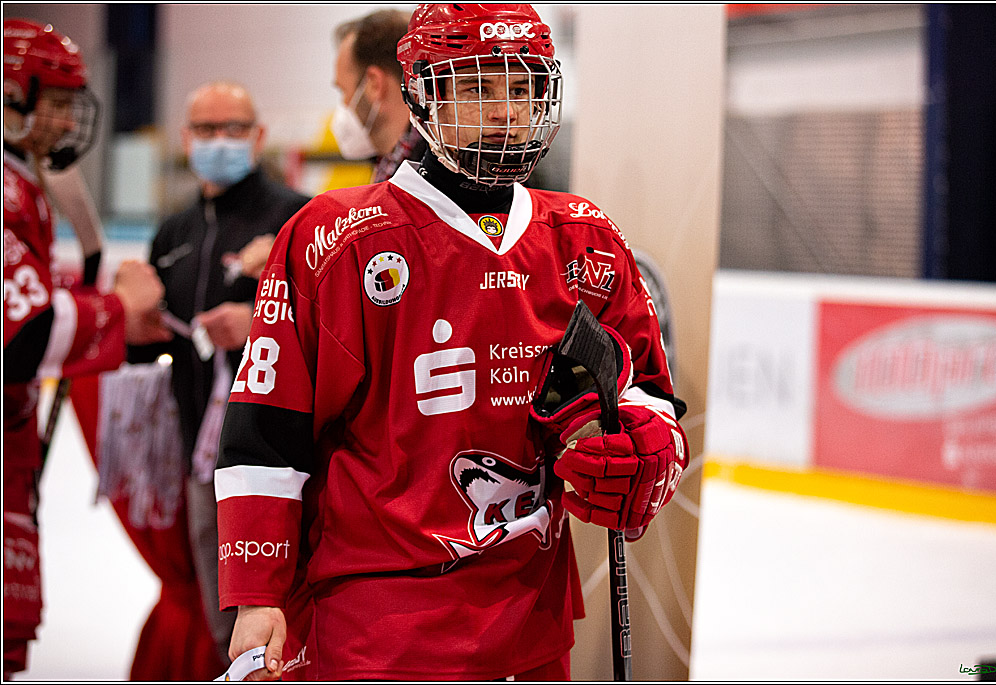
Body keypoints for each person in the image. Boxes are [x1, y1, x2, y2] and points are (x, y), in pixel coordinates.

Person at [216, 4, 689, 681]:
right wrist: (257, 592)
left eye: (522, 87)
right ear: (422, 94)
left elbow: (643, 387)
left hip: (531, 620)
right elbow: (266, 430)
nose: (505, 112)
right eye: (476, 87)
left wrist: (646, 442)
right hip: (378, 627)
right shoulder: (334, 238)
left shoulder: (585, 238)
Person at [3, 18, 168, 677]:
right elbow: (22, 338)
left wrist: (122, 330)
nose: (70, 118)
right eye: (56, 101)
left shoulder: (23, 182)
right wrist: (117, 309)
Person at [126, 81, 310, 667]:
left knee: (288, 627)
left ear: (258, 136)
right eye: (206, 129)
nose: (220, 141)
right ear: (186, 139)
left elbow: (332, 328)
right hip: (202, 459)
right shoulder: (174, 232)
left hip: (283, 458)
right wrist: (129, 316)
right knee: (223, 631)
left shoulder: (298, 215)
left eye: (234, 128)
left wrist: (257, 320)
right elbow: (145, 350)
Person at [331, 8, 427, 181]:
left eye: (343, 91)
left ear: (375, 84)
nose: (344, 105)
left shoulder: (427, 172)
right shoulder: (390, 164)